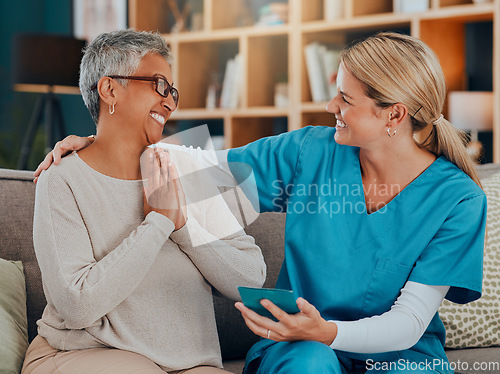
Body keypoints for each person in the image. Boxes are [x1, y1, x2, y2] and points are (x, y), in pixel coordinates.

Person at [35, 32, 487, 373]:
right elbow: (202, 167)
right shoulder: (310, 151)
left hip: (400, 353)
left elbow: (409, 323)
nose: (331, 104)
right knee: (310, 363)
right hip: (298, 346)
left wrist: (327, 331)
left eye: (346, 99)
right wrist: (98, 140)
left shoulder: (458, 199)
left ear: (394, 115)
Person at [23, 29, 266, 374]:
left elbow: (251, 279)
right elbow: (77, 305)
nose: (169, 101)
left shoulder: (187, 167)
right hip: (84, 352)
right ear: (109, 89)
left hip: (188, 362)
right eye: (158, 85)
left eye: (173, 92)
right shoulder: (62, 178)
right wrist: (159, 223)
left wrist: (181, 225)